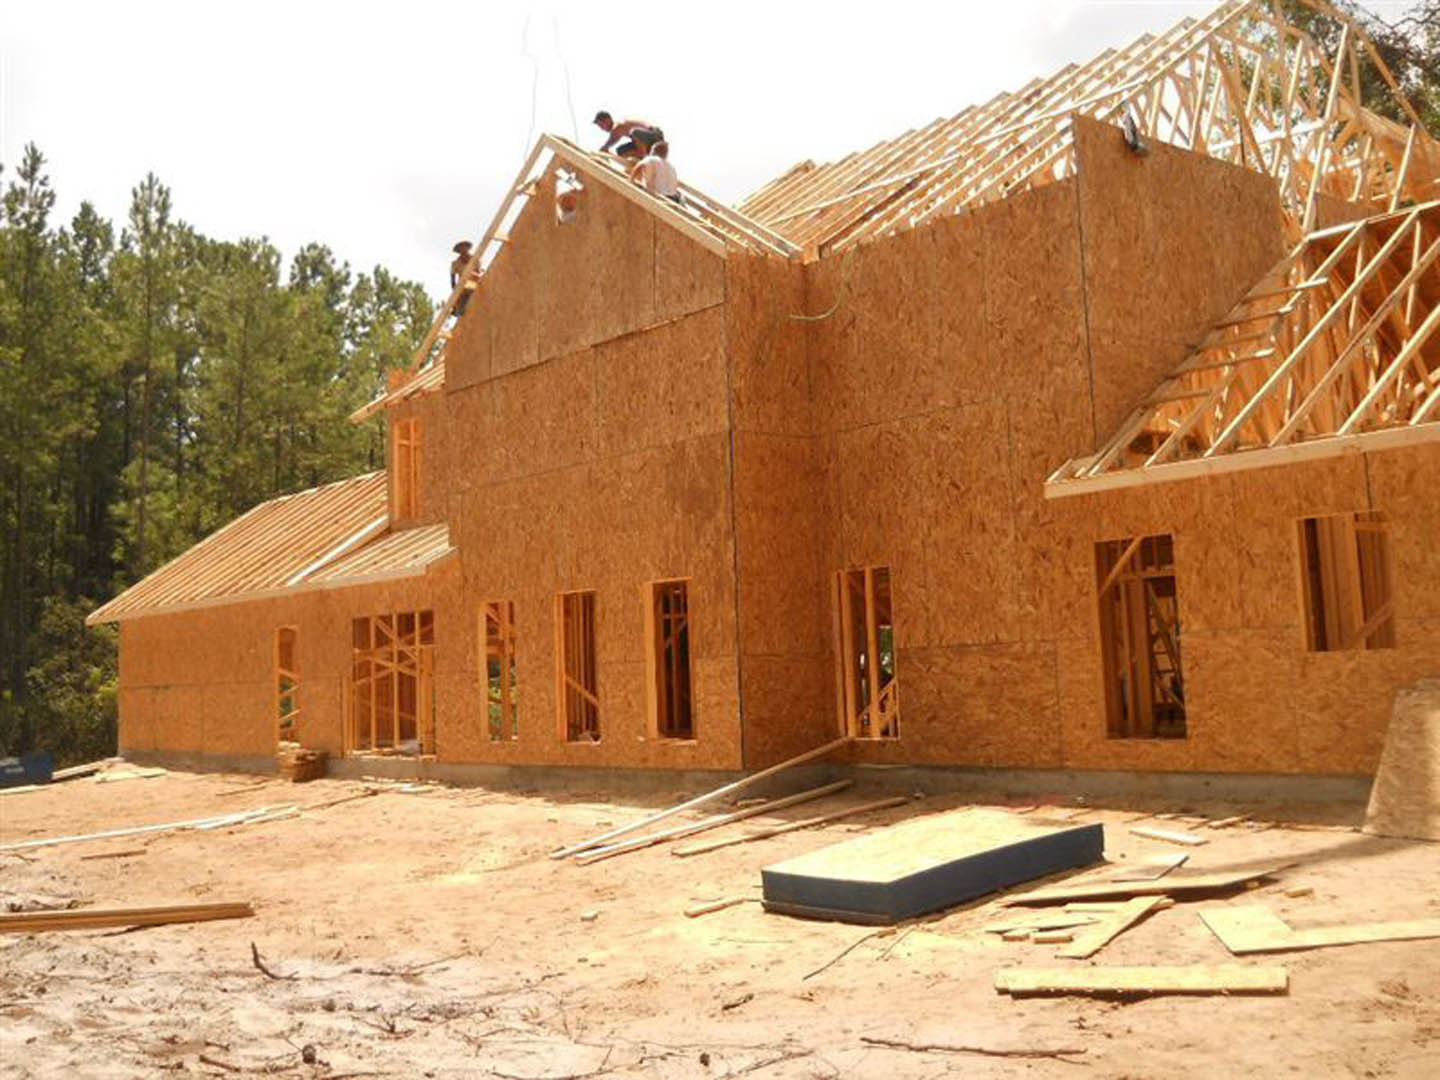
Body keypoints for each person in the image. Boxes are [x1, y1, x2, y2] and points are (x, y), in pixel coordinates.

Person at [593, 110, 664, 159]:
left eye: (601, 125)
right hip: (649, 144)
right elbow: (614, 139)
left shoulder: (618, 125)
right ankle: (639, 160)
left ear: (607, 120)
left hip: (654, 136)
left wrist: (603, 149)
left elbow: (612, 139)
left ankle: (642, 153)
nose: (602, 128)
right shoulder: (618, 130)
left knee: (634, 132)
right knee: (621, 151)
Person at [450, 240, 474, 317]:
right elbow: (453, 279)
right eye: (461, 250)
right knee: (461, 305)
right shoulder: (455, 263)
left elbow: (480, 271)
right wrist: (455, 291)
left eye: (465, 249)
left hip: (474, 282)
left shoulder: (475, 258)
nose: (463, 251)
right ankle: (459, 312)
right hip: (463, 286)